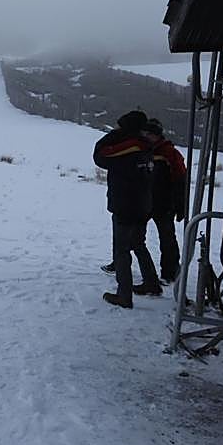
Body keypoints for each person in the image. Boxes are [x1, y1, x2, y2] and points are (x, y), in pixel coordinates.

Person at [93, 110, 162, 308]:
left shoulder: (129, 145)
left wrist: (118, 134)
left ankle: (124, 295)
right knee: (138, 244)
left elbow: (100, 155)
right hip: (143, 204)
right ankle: (152, 283)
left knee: (121, 249)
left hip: (126, 204)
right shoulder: (147, 145)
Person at [145, 118, 187, 284]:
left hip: (164, 203)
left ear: (156, 135)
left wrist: (180, 205)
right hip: (145, 201)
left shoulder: (170, 153)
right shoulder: (143, 150)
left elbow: (181, 180)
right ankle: (120, 263)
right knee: (132, 236)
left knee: (167, 239)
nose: (146, 136)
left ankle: (170, 272)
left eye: (149, 133)